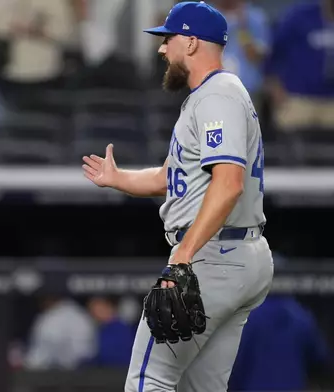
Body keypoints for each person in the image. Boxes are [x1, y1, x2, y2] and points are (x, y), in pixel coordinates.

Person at [82, 2, 274, 391]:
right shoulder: (213, 94)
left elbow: (228, 183)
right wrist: (119, 178)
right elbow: (172, 177)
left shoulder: (217, 96)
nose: (161, 49)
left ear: (190, 42)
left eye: (167, 39)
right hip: (237, 255)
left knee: (148, 378)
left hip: (214, 256)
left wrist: (184, 255)